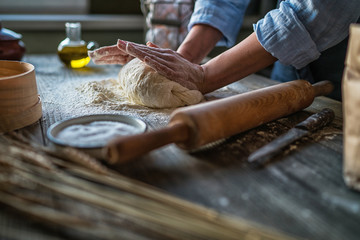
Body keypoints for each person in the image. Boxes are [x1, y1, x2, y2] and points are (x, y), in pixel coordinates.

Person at [89, 0, 360, 101]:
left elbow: (321, 9)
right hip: (288, 62)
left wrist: (205, 76)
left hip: (350, 59)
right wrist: (185, 59)